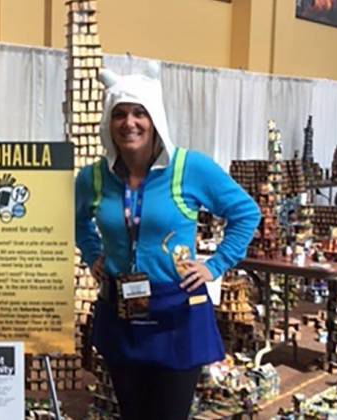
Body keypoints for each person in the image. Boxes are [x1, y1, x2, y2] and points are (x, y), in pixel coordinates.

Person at [75, 67, 260, 420]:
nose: (129, 123)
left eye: (139, 112)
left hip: (177, 313)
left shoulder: (190, 168)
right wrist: (92, 253)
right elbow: (77, 218)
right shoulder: (93, 178)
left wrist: (215, 265)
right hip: (120, 312)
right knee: (131, 412)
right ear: (107, 122)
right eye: (119, 114)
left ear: (155, 118)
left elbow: (245, 213)